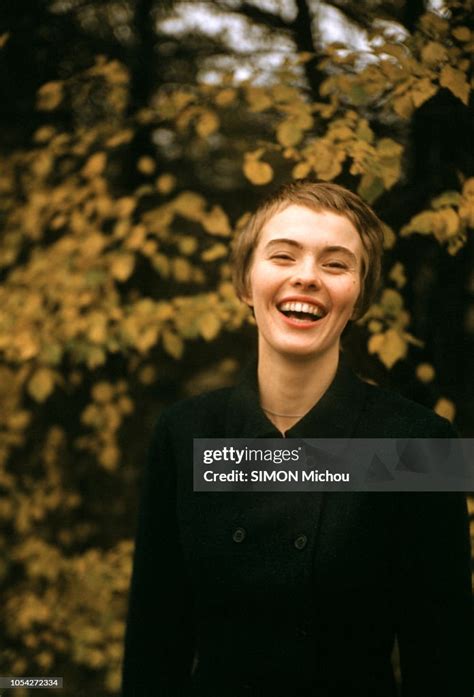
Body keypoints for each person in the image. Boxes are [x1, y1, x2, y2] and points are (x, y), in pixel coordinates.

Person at [122, 181, 472, 697]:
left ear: (360, 297)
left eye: (335, 264)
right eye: (283, 255)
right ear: (246, 282)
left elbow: (444, 664)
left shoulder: (421, 444)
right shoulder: (185, 432)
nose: (306, 277)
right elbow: (155, 647)